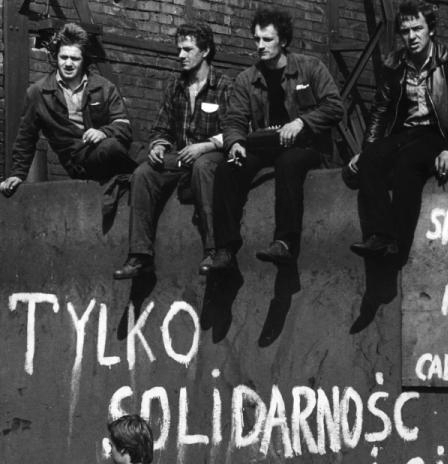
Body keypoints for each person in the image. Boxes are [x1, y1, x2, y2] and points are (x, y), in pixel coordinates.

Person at [209, 8, 343, 269]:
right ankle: (225, 249)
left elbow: (335, 107)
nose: (260, 45)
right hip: (266, 144)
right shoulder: (247, 79)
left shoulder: (310, 67)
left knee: (288, 163)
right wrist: (235, 142)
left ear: (283, 41)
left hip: (306, 145)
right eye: (257, 39)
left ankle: (284, 242)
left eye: (267, 39)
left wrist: (302, 122)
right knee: (228, 168)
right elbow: (234, 119)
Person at [348, 0, 448, 264]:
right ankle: (380, 236)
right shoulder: (394, 63)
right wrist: (367, 149)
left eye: (417, 29)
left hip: (437, 134)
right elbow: (381, 110)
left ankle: (398, 246)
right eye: (406, 31)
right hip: (405, 133)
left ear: (430, 29)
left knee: (408, 164)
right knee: (371, 159)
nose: (412, 36)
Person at [114, 23, 232, 279]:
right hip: (182, 159)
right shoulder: (175, 87)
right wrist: (159, 145)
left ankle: (215, 251)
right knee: (144, 173)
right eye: (179, 49)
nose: (180, 55)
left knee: (203, 165)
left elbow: (236, 130)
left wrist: (206, 146)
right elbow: (161, 128)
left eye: (188, 49)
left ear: (205, 51)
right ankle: (140, 256)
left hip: (213, 157)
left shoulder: (223, 85)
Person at [1, 23, 134, 197]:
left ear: (84, 60)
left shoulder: (104, 87)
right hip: (79, 162)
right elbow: (26, 137)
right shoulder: (39, 92)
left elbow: (124, 126)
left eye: (75, 59)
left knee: (149, 154)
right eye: (63, 57)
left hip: (109, 152)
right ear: (56, 57)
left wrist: (103, 132)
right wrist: (18, 174)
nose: (68, 64)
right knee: (112, 148)